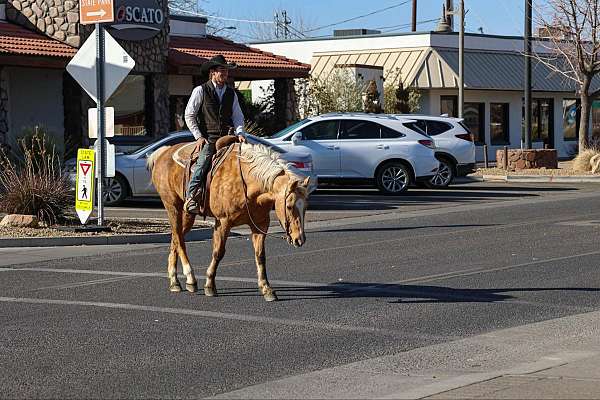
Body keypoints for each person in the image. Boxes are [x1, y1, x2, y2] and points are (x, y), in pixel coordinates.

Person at [184, 55, 246, 214]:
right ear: (212, 72)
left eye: (226, 71)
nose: (225, 74)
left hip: (228, 137)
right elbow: (189, 115)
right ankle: (191, 196)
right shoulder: (200, 90)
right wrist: (198, 136)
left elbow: (238, 116)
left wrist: (240, 132)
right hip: (209, 139)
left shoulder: (231, 93)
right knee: (203, 163)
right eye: (221, 71)